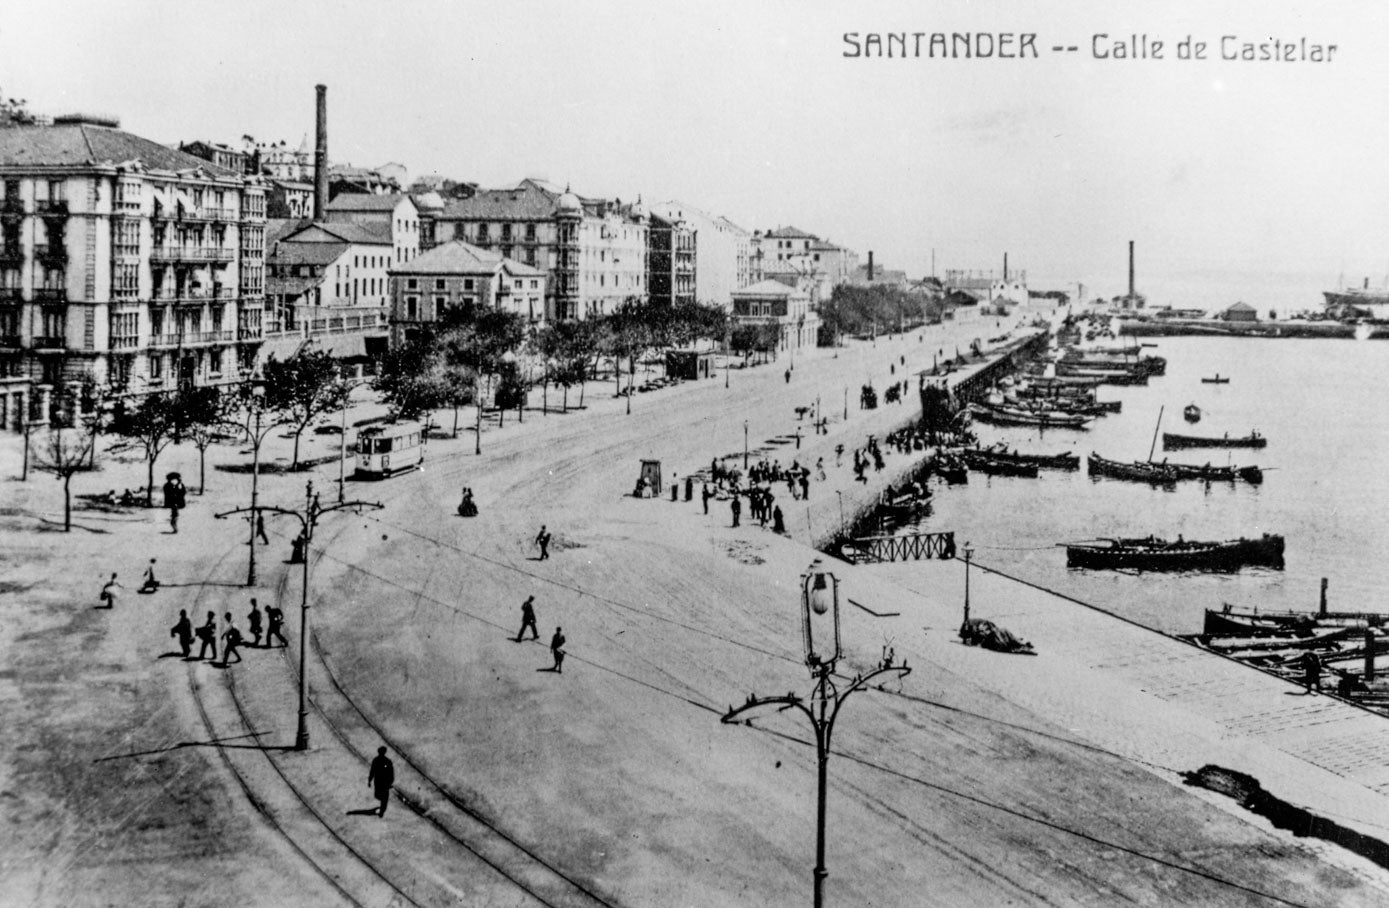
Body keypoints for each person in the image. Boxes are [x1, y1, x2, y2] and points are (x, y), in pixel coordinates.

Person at [368, 746, 395, 818]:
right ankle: (382, 810)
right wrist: (390, 781)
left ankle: (382, 810)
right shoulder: (387, 761)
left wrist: (369, 780)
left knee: (381, 796)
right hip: (384, 782)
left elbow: (372, 771)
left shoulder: (376, 760)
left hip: (379, 781)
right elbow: (391, 772)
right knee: (384, 797)